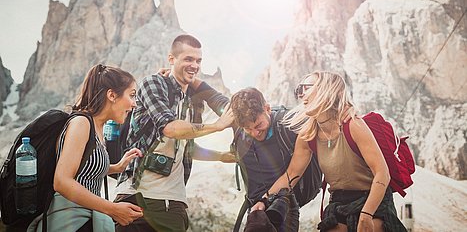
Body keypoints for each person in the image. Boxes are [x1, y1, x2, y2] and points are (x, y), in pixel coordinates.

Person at [256, 71, 407, 232]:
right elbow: (291, 173)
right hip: (339, 202)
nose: (301, 95)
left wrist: (366, 214)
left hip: (373, 199)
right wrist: (264, 200)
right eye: (299, 90)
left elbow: (382, 173)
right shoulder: (308, 135)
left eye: (306, 88)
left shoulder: (353, 125)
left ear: (326, 89)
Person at [114, 34, 235, 232]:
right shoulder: (153, 83)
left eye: (198, 61)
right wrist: (217, 126)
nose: (194, 65)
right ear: (171, 59)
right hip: (139, 198)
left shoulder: (193, 101)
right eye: (188, 59)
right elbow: (170, 128)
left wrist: (221, 157)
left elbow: (186, 146)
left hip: (174, 203)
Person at [28, 64, 145, 231]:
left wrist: (117, 167)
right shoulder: (82, 123)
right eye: (132, 95)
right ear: (112, 95)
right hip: (69, 221)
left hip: (86, 218)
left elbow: (83, 170)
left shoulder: (98, 128)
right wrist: (112, 209)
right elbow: (61, 182)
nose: (134, 104)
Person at [230, 87, 312, 232]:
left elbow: (293, 172)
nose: (255, 133)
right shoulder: (239, 131)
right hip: (255, 208)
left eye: (259, 125)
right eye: (248, 129)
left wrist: (264, 199)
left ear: (267, 109)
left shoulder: (289, 125)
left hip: (283, 205)